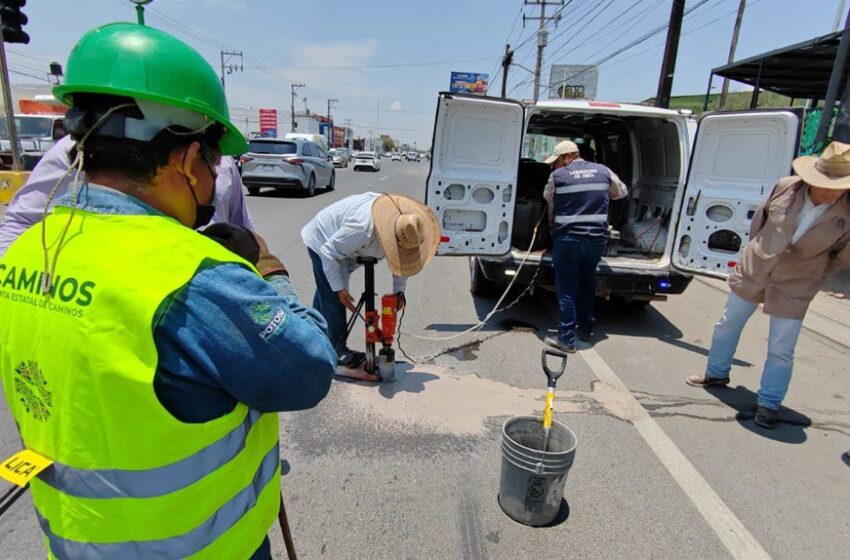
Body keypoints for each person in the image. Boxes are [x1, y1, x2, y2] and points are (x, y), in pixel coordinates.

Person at [0, 23, 336, 559]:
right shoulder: (192, 276)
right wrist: (269, 271)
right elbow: (310, 367)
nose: (215, 180)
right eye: (214, 161)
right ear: (184, 159)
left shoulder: (23, 255)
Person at [687, 141, 850, 429]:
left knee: (781, 347)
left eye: (837, 187)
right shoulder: (787, 186)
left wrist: (816, 278)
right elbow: (759, 223)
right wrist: (758, 252)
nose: (830, 192)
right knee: (727, 324)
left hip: (799, 281)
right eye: (825, 184)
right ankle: (716, 373)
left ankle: (769, 403)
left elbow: (842, 256)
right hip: (757, 267)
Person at [0, 134, 254, 256]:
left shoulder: (222, 163)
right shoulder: (75, 153)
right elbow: (20, 225)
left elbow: (243, 233)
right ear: (187, 163)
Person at [301, 192, 440, 367]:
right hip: (323, 241)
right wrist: (339, 289)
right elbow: (329, 252)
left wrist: (399, 292)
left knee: (325, 293)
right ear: (391, 235)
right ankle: (337, 351)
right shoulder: (361, 228)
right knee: (333, 298)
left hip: (348, 249)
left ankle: (311, 340)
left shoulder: (404, 226)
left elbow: (401, 263)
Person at [542, 140, 628, 353]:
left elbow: (547, 197)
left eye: (558, 161)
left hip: (568, 240)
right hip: (595, 240)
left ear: (568, 156)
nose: (556, 166)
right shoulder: (603, 170)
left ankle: (566, 339)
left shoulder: (558, 176)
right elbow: (622, 192)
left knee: (567, 289)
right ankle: (586, 330)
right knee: (587, 284)